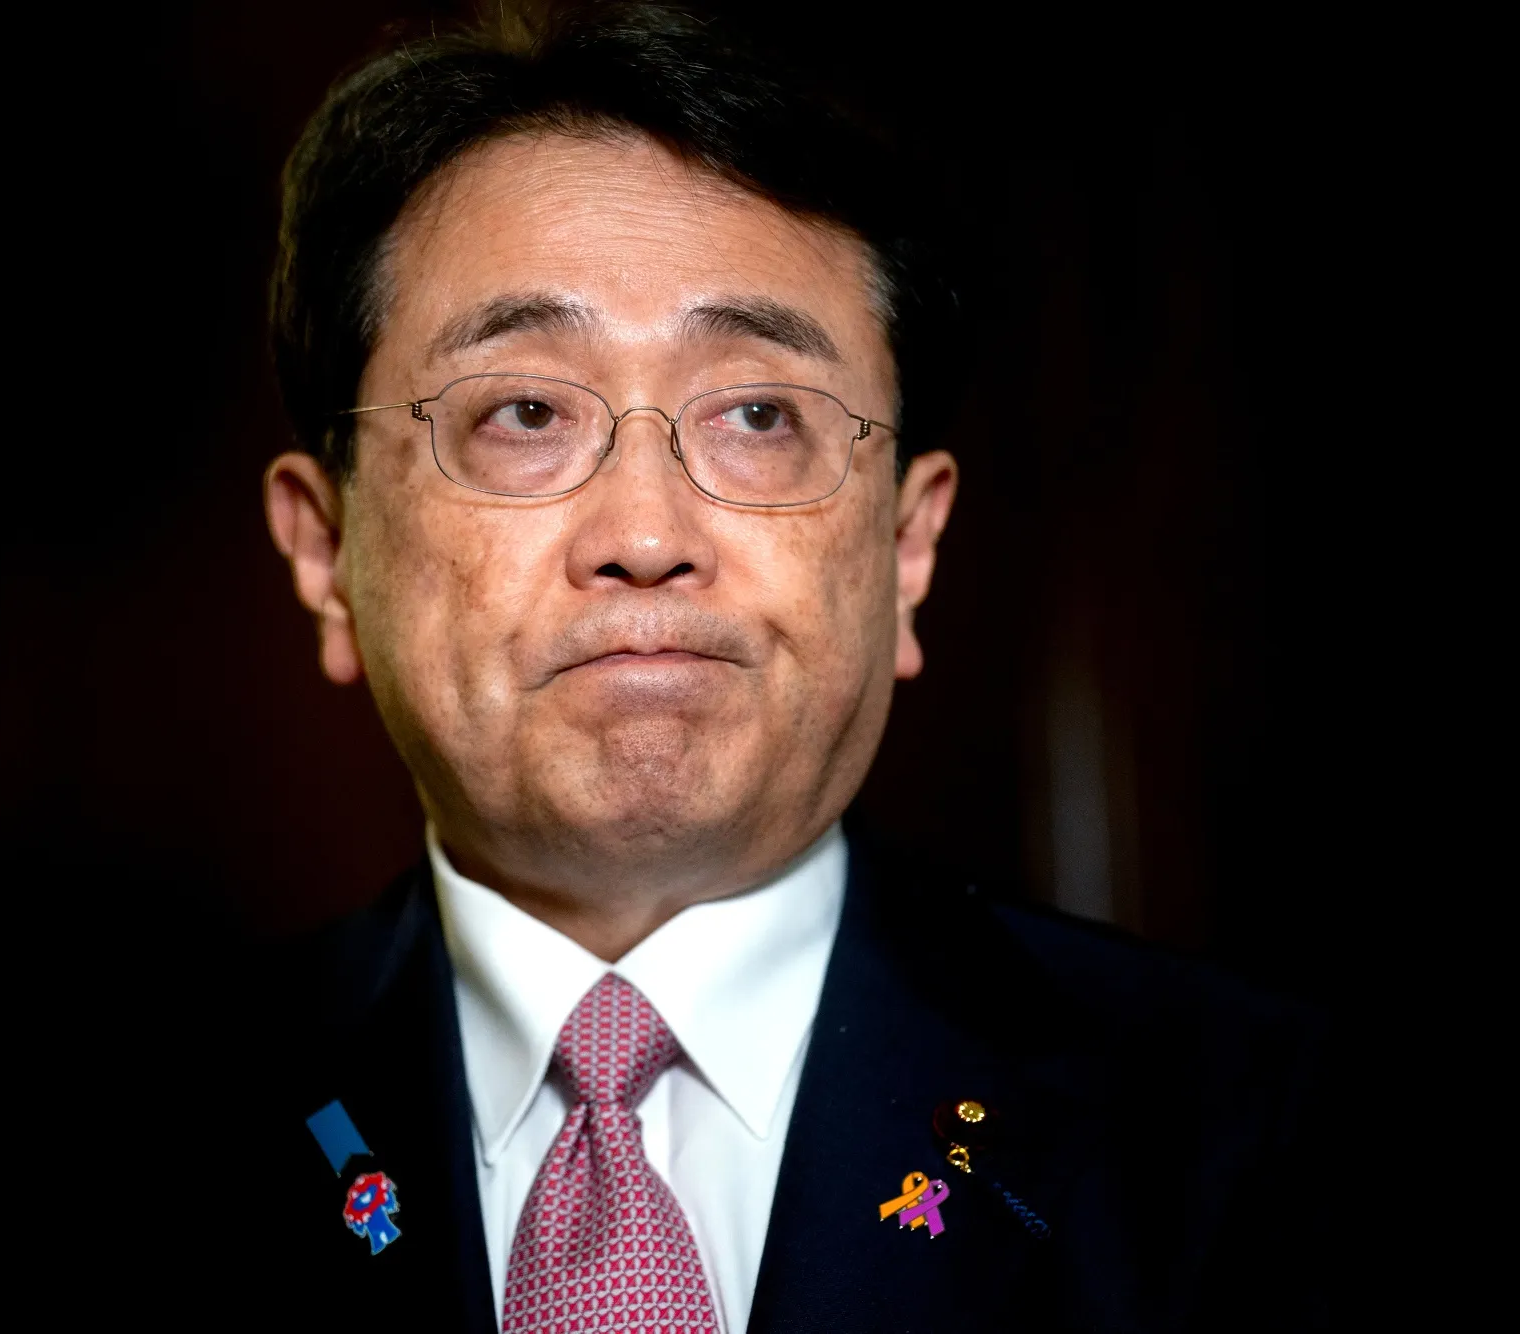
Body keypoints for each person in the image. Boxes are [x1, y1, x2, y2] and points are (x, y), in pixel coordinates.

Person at [228, 4, 1329, 1329]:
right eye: (524, 412)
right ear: (326, 547)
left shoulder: (1259, 1136)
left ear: (909, 549)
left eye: (758, 415)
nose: (646, 537)